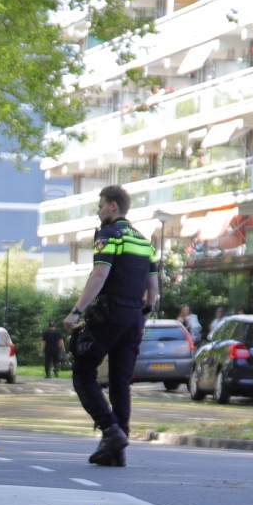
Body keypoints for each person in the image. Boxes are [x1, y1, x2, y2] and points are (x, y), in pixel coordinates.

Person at [64, 184, 158, 466]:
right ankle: (117, 452)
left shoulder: (109, 234)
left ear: (113, 206)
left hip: (110, 314)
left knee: (83, 373)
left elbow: (99, 275)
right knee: (120, 383)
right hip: (134, 319)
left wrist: (76, 311)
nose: (98, 210)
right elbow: (153, 289)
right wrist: (143, 316)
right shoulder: (144, 241)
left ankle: (110, 430)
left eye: (101, 205)